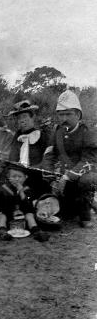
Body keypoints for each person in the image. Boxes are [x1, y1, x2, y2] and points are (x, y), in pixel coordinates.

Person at [42, 89, 97, 228]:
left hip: (81, 173)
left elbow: (88, 161)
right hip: (61, 174)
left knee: (88, 180)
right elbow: (49, 154)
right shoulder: (57, 132)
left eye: (68, 114)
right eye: (61, 114)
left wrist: (67, 177)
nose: (64, 118)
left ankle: (85, 214)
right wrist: (50, 174)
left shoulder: (87, 133)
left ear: (78, 114)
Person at [0, 165, 50, 242]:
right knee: (2, 216)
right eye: (13, 176)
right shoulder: (2, 189)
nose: (17, 179)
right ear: (8, 177)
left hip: (23, 215)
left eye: (20, 177)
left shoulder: (28, 190)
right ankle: (2, 231)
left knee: (30, 215)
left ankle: (36, 232)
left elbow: (29, 203)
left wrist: (21, 192)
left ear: (25, 177)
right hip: (8, 214)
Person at [8, 99, 51, 198]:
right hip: (19, 174)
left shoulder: (42, 136)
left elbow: (48, 158)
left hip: (36, 175)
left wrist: (35, 168)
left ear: (32, 117)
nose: (22, 120)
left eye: (25, 116)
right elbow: (12, 157)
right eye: (19, 118)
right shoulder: (17, 136)